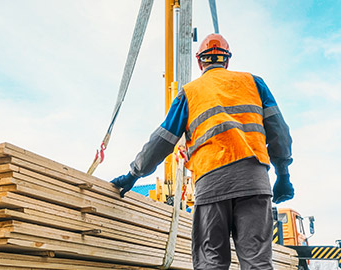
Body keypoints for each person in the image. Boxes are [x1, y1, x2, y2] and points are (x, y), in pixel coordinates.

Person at [111, 33, 294, 269]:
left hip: (212, 183)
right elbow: (280, 132)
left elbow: (163, 140)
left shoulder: (190, 93)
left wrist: (134, 174)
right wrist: (283, 176)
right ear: (227, 60)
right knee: (257, 263)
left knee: (211, 262)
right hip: (253, 182)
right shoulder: (254, 83)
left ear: (200, 62)